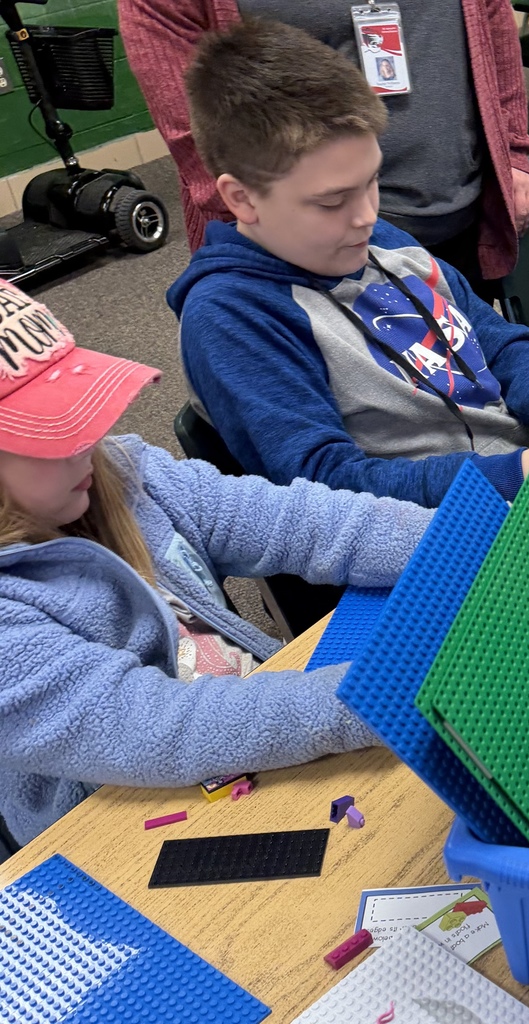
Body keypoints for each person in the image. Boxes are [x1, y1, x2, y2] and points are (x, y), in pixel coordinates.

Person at [0, 278, 433, 847]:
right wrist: (387, 694)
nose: (89, 440)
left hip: (248, 745)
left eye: (81, 413)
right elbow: (159, 728)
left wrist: (470, 541)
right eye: (52, 434)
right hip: (112, 830)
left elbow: (297, 521)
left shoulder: (123, 470)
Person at [171, 21, 529, 510]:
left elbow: (498, 343)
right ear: (241, 198)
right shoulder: (231, 318)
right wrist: (508, 477)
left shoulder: (383, 242)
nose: (366, 216)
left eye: (371, 181)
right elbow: (323, 489)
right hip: (427, 534)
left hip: (525, 479)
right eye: (332, 201)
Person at [117, 0, 529, 297]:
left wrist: (513, 151)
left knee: (462, 362)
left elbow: (492, 21)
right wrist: (273, 238)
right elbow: (196, 123)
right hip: (314, 245)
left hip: (460, 206)